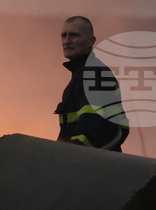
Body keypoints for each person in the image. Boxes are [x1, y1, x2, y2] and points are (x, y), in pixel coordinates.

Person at [55, 16, 129, 151]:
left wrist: (69, 155)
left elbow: (92, 126)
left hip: (92, 164)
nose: (66, 41)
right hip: (86, 162)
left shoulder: (95, 73)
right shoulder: (82, 75)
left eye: (74, 35)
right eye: (63, 36)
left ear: (91, 41)